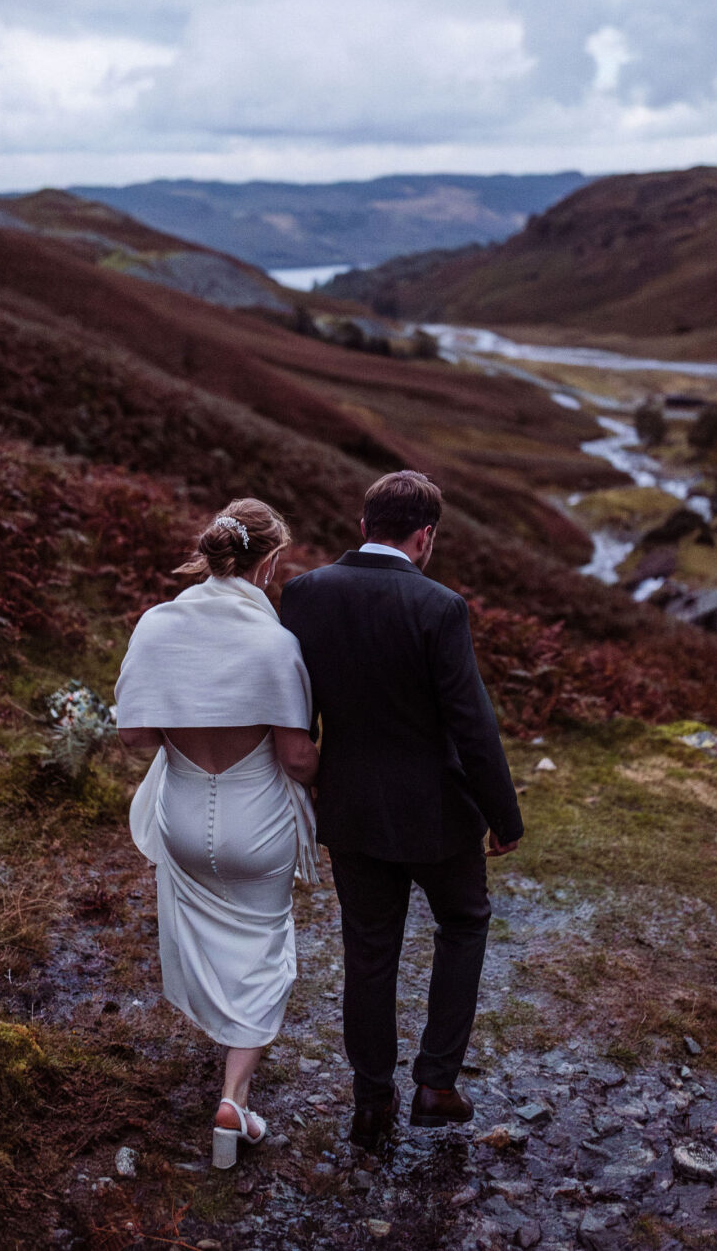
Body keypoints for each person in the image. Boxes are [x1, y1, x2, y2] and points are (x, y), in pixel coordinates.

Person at [281, 470, 523, 1146]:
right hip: (439, 814)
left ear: (364, 526)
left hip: (350, 807)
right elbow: (472, 724)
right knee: (465, 923)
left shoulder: (303, 593)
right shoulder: (440, 606)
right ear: (425, 536)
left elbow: (292, 706)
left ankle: (371, 1099)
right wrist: (504, 816)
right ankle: (436, 1082)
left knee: (368, 952)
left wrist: (313, 780)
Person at [115, 499, 319, 1168]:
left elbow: (136, 734)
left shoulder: (157, 625)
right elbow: (296, 759)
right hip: (254, 818)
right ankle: (234, 1096)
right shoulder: (275, 643)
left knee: (209, 932)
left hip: (178, 811)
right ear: (269, 561)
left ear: (207, 554)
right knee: (265, 950)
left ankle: (227, 1059)